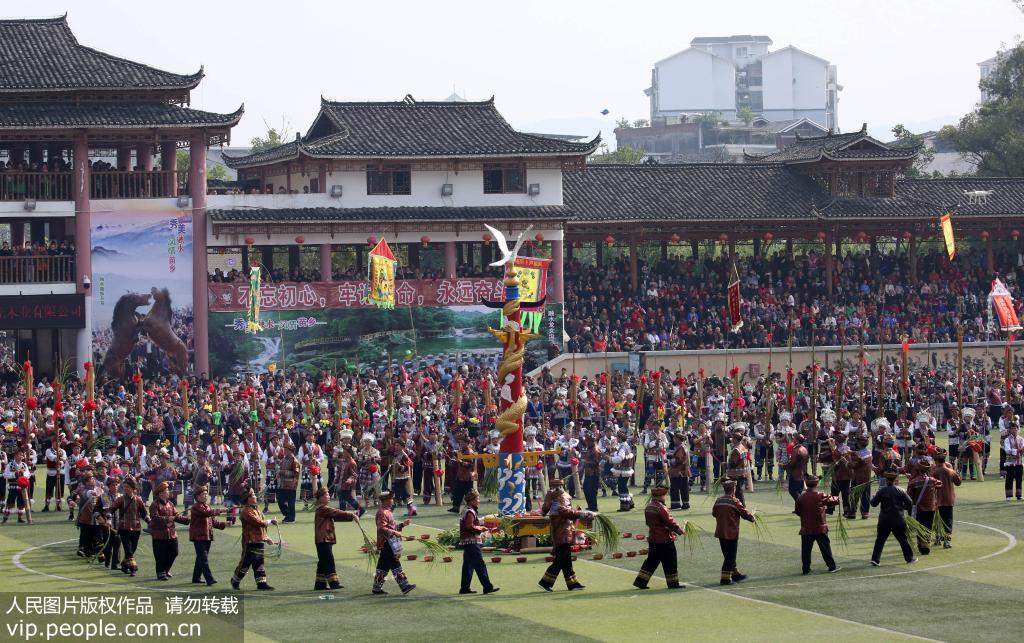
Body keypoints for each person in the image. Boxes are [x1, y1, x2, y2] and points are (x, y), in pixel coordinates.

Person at [538, 479, 589, 592]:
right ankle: (545, 582)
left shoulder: (550, 495)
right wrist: (582, 514)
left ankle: (572, 583)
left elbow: (544, 510)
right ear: (562, 485)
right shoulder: (562, 496)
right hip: (564, 529)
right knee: (561, 558)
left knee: (565, 558)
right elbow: (565, 512)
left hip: (559, 528)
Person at [632, 484, 684, 590]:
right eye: (664, 496)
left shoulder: (649, 506)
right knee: (670, 561)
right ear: (661, 496)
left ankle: (640, 581)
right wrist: (678, 530)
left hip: (653, 538)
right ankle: (673, 583)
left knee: (651, 560)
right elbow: (669, 522)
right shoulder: (661, 507)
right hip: (664, 538)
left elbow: (648, 522)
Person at [231, 489, 277, 591]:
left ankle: (262, 583)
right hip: (250, 541)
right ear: (248, 499)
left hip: (258, 540)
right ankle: (235, 580)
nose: (256, 497)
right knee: (245, 563)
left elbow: (261, 527)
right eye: (253, 496)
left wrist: (266, 538)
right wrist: (270, 521)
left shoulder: (256, 509)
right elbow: (258, 523)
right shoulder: (245, 511)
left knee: (259, 563)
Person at [794, 475, 841, 575]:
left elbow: (797, 511)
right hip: (820, 527)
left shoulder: (801, 497)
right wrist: (838, 497)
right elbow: (834, 500)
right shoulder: (820, 495)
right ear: (816, 484)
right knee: (825, 548)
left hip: (806, 528)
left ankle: (806, 569)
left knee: (806, 549)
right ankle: (832, 566)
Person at [313, 486, 358, 591]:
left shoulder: (323, 509)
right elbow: (337, 513)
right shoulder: (323, 508)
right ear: (320, 498)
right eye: (326, 495)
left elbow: (336, 517)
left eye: (328, 494)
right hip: (324, 539)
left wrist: (351, 519)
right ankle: (334, 583)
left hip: (324, 539)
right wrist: (351, 515)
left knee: (323, 562)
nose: (328, 496)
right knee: (329, 561)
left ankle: (320, 584)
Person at [869, 470, 917, 566]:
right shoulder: (901, 490)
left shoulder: (882, 491)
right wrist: (902, 508)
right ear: (895, 479)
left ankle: (875, 559)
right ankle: (909, 558)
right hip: (898, 519)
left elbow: (873, 504)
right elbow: (910, 503)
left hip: (884, 520)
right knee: (903, 540)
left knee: (880, 540)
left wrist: (872, 497)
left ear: (886, 480)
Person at [372, 490, 415, 595]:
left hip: (388, 542)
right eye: (391, 499)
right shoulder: (382, 512)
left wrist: (402, 525)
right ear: (386, 500)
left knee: (383, 566)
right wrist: (395, 532)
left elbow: (391, 527)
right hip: (387, 543)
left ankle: (377, 588)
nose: (392, 501)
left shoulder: (387, 512)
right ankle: (404, 586)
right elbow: (381, 528)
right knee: (395, 563)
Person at [712, 479, 754, 585]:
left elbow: (714, 513)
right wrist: (752, 518)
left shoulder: (718, 500)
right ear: (733, 489)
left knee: (727, 555)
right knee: (730, 557)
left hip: (720, 532)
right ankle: (725, 579)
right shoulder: (734, 501)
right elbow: (744, 513)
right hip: (731, 533)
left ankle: (735, 575)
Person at [458, 489, 498, 595]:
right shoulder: (470, 511)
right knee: (479, 564)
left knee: (468, 565)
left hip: (467, 541)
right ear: (472, 500)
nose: (479, 501)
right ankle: (487, 586)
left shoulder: (467, 509)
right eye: (477, 499)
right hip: (471, 541)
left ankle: (465, 588)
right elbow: (469, 526)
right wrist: (481, 528)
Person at [149, 481, 188, 580]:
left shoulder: (170, 504)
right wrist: (168, 518)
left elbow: (177, 516)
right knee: (160, 554)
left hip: (172, 533)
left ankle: (166, 569)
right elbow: (155, 518)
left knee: (174, 552)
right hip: (159, 534)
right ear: (161, 492)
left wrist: (188, 519)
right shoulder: (154, 504)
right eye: (166, 490)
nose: (168, 492)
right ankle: (160, 572)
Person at [189, 484, 227, 585]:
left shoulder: (207, 507)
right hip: (199, 536)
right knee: (204, 559)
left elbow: (213, 522)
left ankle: (196, 578)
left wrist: (224, 524)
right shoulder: (196, 507)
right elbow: (206, 513)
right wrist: (220, 510)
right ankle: (209, 579)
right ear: (197, 496)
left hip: (207, 536)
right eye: (203, 494)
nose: (206, 496)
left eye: (206, 494)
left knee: (200, 558)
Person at [110, 476, 148, 577]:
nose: (126, 488)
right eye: (125, 486)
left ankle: (124, 565)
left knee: (132, 549)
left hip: (136, 528)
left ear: (133, 489)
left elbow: (144, 514)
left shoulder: (139, 500)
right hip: (124, 528)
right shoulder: (120, 499)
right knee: (128, 550)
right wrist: (108, 515)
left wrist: (149, 521)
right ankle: (133, 569)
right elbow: (112, 509)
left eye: (128, 487)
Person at [931, 448, 961, 548]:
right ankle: (947, 541)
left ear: (936, 460)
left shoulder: (934, 472)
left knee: (937, 519)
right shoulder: (951, 471)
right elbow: (958, 483)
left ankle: (938, 538)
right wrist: (957, 473)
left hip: (936, 499)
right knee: (948, 520)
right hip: (948, 499)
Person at [277, 441, 300, 523]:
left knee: (291, 503)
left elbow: (296, 473)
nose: (285, 451)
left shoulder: (295, 461)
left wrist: (283, 472)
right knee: (280, 500)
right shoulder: (283, 460)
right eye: (284, 450)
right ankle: (287, 515)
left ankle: (291, 518)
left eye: (286, 450)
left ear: (290, 451)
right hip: (282, 484)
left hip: (291, 485)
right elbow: (281, 470)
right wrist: (279, 474)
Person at [1003, 423, 1023, 500]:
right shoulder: (1007, 439)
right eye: (1012, 429)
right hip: (1010, 462)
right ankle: (1009, 496)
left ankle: (1019, 495)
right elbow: (1007, 450)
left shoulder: (1021, 439)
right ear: (1010, 430)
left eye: (1015, 428)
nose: (1014, 430)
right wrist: (1018, 450)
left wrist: (1021, 451)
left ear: (1018, 429)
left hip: (1019, 462)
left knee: (1019, 479)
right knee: (1009, 478)